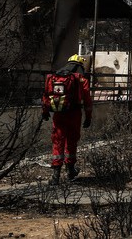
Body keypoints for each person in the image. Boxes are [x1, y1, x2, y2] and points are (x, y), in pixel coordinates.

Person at [42, 54, 93, 185]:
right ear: (79, 66)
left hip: (58, 114)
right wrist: (88, 117)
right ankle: (70, 171)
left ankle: (55, 176)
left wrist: (45, 112)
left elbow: (46, 96)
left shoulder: (53, 77)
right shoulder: (81, 79)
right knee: (71, 141)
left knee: (58, 141)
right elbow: (87, 100)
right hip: (74, 114)